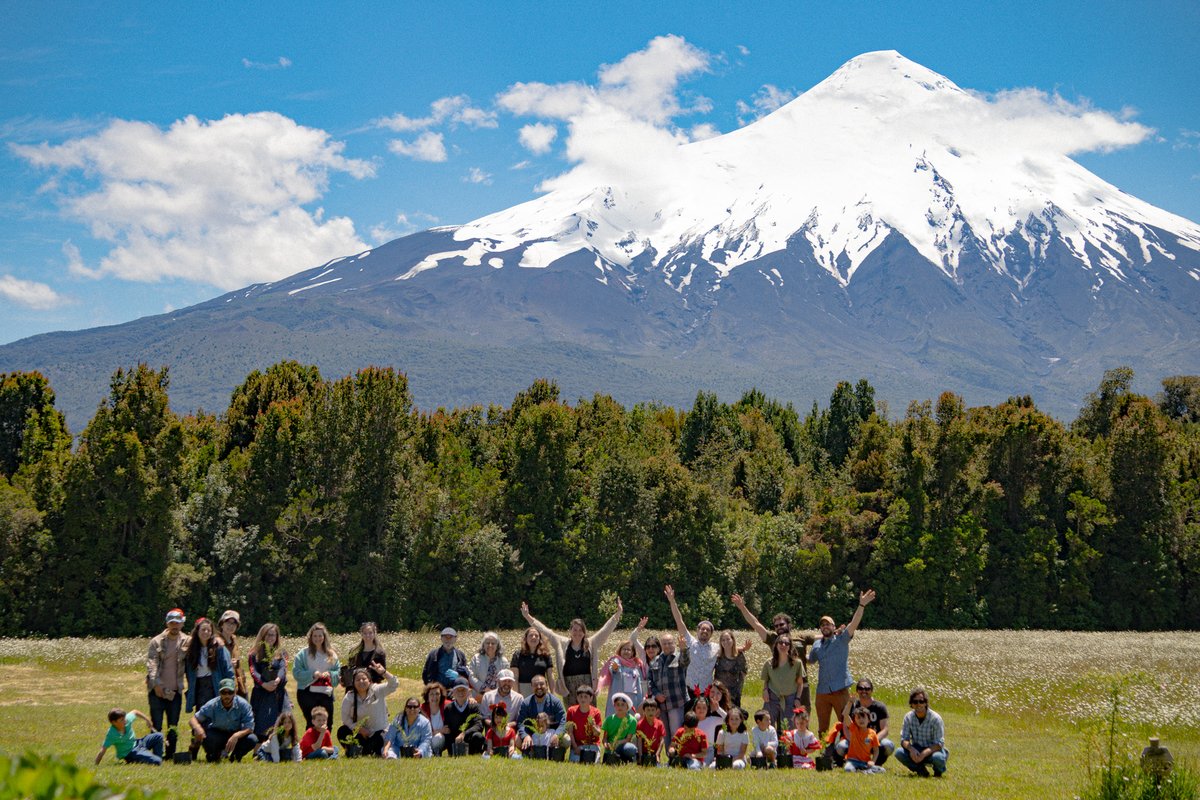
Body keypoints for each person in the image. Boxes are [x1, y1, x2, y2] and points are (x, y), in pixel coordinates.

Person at [521, 599, 623, 700]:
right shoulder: (561, 643)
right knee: (571, 715)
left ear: (584, 632)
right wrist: (528, 616)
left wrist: (618, 613)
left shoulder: (592, 643)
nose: (577, 633)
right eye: (574, 629)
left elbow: (606, 630)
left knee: (589, 715)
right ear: (570, 631)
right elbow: (545, 631)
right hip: (568, 686)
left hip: (588, 685)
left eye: (580, 630)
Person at [731, 593, 816, 713]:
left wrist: (836, 632)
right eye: (776, 626)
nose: (778, 627)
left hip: (801, 685)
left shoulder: (801, 637)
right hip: (779, 687)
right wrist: (742, 607)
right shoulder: (773, 639)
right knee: (780, 719)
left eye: (781, 624)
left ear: (789, 625)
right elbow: (755, 623)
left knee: (803, 717)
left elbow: (821, 637)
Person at [808, 588, 876, 736]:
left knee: (846, 723)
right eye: (823, 625)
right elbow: (810, 661)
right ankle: (824, 754)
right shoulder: (816, 645)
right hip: (822, 692)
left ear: (834, 627)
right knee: (823, 728)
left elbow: (854, 622)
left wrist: (862, 605)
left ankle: (847, 752)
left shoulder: (842, 640)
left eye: (828, 624)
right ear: (820, 629)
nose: (825, 626)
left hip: (840, 690)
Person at [146, 608, 187, 760]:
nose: (175, 626)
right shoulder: (156, 641)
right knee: (156, 724)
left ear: (182, 623)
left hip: (175, 691)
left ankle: (170, 755)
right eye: (172, 623)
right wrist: (156, 684)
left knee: (173, 725)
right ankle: (155, 754)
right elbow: (152, 663)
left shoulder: (186, 641)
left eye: (177, 623)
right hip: (157, 690)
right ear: (167, 623)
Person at [664, 585, 719, 691]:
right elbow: (679, 620)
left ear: (711, 634)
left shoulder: (716, 648)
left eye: (708, 630)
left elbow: (730, 648)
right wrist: (672, 601)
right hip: (689, 689)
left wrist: (743, 648)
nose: (705, 631)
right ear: (697, 631)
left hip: (706, 691)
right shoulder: (690, 641)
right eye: (702, 629)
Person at [188, 677, 257, 762]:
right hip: (218, 733)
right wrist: (198, 728)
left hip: (236, 734)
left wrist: (236, 735)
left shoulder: (243, 705)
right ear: (219, 693)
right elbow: (193, 720)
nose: (227, 695)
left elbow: (250, 727)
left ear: (234, 693)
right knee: (207, 737)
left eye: (230, 692)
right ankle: (214, 754)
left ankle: (235, 756)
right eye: (224, 692)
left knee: (252, 739)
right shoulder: (212, 704)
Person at [337, 664, 399, 757]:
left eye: (364, 679)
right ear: (353, 682)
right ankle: (355, 749)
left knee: (378, 739)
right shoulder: (349, 696)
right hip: (360, 733)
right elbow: (345, 718)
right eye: (357, 680)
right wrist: (358, 728)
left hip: (378, 733)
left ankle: (362, 751)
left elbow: (394, 684)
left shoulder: (377, 690)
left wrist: (383, 672)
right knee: (342, 731)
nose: (361, 681)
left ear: (369, 681)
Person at [836, 678, 894, 766]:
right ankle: (847, 761)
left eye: (867, 689)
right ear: (857, 691)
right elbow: (845, 727)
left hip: (873, 739)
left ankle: (876, 763)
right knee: (841, 747)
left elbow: (885, 730)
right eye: (861, 688)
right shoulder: (852, 705)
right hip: (855, 740)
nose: (864, 691)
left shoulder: (880, 707)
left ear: (871, 690)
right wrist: (854, 741)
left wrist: (872, 740)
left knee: (888, 745)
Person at [292, 622, 340, 728]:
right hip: (306, 692)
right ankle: (311, 744)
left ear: (324, 637)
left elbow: (338, 672)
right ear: (310, 637)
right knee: (312, 723)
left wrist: (330, 674)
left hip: (325, 692)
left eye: (320, 635)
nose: (317, 638)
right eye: (315, 636)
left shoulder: (332, 654)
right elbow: (296, 673)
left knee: (327, 723)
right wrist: (312, 674)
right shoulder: (303, 654)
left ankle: (324, 744)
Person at [247, 622, 288, 743]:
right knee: (261, 722)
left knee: (282, 719)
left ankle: (280, 747)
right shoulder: (253, 653)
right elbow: (253, 671)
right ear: (262, 636)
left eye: (273, 635)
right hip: (261, 692)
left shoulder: (282, 653)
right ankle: (258, 751)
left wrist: (277, 680)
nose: (271, 638)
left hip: (278, 692)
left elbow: (283, 668)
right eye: (268, 635)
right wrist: (264, 684)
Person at [184, 617, 233, 718]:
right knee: (201, 713)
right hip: (199, 686)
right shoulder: (191, 649)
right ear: (197, 631)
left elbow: (228, 669)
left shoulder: (219, 648)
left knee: (216, 713)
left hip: (215, 684)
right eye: (203, 629)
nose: (206, 632)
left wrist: (230, 687)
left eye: (208, 630)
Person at [895, 686, 948, 777]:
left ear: (926, 703)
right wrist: (911, 750)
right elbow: (904, 739)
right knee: (899, 753)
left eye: (921, 701)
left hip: (933, 751)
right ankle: (921, 770)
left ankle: (938, 772)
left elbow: (939, 744)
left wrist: (924, 754)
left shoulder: (935, 719)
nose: (918, 704)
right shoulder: (908, 717)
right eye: (915, 702)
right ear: (911, 704)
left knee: (938, 758)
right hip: (916, 749)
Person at [760, 634, 804, 730]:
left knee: (789, 726)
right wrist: (765, 690)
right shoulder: (768, 663)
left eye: (786, 643)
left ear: (790, 646)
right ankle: (770, 744)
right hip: (772, 697)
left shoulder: (797, 663)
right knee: (767, 724)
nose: (783, 645)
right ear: (776, 645)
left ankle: (785, 745)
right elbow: (766, 680)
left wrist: (797, 698)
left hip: (790, 698)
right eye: (780, 642)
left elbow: (800, 683)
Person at [649, 632, 689, 736]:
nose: (667, 645)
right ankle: (668, 753)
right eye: (664, 643)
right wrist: (656, 693)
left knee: (676, 733)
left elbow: (685, 661)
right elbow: (650, 681)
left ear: (674, 644)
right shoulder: (654, 661)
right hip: (661, 705)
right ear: (660, 645)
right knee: (664, 734)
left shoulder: (679, 657)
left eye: (669, 643)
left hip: (676, 703)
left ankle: (676, 752)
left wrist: (684, 649)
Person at [515, 674, 566, 752]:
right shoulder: (526, 703)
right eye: (535, 685)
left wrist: (557, 735)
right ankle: (530, 753)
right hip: (533, 733)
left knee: (566, 739)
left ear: (547, 685)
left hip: (551, 733)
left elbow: (563, 722)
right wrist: (526, 736)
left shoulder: (555, 702)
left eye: (542, 684)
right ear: (531, 687)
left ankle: (556, 753)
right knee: (517, 740)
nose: (539, 687)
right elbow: (520, 723)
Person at [95, 708, 163, 765]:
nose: (125, 721)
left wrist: (147, 720)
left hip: (138, 743)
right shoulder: (111, 734)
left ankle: (157, 758)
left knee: (159, 736)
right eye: (122, 720)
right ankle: (155, 760)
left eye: (124, 718)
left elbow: (135, 712)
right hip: (130, 753)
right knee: (157, 761)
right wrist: (96, 765)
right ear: (114, 722)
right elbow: (103, 750)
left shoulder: (127, 720)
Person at [600, 638, 646, 716]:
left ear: (632, 652)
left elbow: (642, 682)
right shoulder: (617, 661)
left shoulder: (637, 665)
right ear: (620, 651)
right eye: (624, 649)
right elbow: (614, 669)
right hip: (619, 699)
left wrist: (644, 697)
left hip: (633, 699)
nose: (626, 651)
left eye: (628, 650)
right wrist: (615, 668)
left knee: (632, 722)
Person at [511, 624, 555, 697]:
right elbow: (515, 677)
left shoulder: (545, 655)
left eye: (536, 636)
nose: (534, 637)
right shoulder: (518, 655)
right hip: (523, 690)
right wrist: (517, 695)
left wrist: (553, 694)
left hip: (541, 688)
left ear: (540, 639)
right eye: (531, 635)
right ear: (526, 639)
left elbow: (550, 676)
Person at [444, 679, 485, 755]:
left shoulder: (474, 707)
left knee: (478, 736)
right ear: (453, 693)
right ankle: (453, 752)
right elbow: (447, 728)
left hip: (470, 738)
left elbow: (479, 725)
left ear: (469, 692)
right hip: (455, 740)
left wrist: (464, 733)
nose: (460, 693)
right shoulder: (448, 708)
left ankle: (473, 753)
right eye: (457, 690)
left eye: (463, 690)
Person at [565, 683, 603, 762]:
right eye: (580, 696)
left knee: (593, 763)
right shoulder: (571, 711)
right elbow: (570, 732)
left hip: (593, 745)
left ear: (591, 698)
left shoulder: (596, 712)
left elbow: (598, 734)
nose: (583, 699)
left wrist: (593, 726)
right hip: (578, 745)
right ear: (577, 698)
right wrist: (575, 747)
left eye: (586, 697)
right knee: (575, 761)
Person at [343, 621, 387, 688]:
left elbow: (382, 675)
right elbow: (349, 670)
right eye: (365, 633)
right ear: (361, 634)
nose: (367, 636)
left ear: (375, 634)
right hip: (357, 687)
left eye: (370, 633)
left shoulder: (379, 653)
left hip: (373, 688)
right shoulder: (354, 652)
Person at [714, 630, 752, 708]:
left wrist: (738, 691)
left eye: (728, 639)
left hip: (734, 693)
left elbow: (743, 673)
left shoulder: (739, 655)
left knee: (734, 716)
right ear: (720, 642)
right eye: (723, 640)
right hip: (719, 692)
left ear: (733, 640)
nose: (726, 642)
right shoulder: (717, 656)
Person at [842, 705, 883, 773]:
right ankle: (864, 771)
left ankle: (864, 771)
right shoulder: (854, 729)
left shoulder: (872, 733)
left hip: (865, 762)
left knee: (882, 770)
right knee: (848, 769)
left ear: (869, 720)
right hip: (852, 761)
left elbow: (876, 750)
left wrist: (872, 761)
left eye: (863, 717)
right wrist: (850, 702)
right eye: (858, 718)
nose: (861, 720)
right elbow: (845, 715)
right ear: (855, 720)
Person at [216, 610, 247, 698]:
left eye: (234, 623)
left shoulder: (235, 640)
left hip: (240, 686)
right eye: (228, 623)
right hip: (224, 687)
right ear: (222, 624)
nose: (231, 626)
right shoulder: (216, 642)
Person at [469, 631, 509, 699]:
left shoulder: (504, 661)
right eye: (487, 643)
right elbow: (471, 676)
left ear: (497, 645)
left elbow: (506, 679)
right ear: (483, 645)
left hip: (498, 696)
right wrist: (484, 688)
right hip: (478, 695)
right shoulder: (476, 658)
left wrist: (495, 692)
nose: (490, 645)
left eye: (493, 643)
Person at [601, 693, 639, 763]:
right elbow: (605, 738)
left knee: (631, 749)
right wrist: (606, 744)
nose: (620, 707)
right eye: (617, 704)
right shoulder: (609, 719)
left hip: (623, 745)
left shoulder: (632, 720)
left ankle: (626, 759)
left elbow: (628, 739)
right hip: (611, 747)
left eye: (623, 705)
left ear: (627, 707)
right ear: (614, 706)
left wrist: (617, 743)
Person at [420, 682, 451, 756]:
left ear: (441, 695)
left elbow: (459, 703)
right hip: (427, 738)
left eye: (437, 694)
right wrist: (440, 730)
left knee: (438, 737)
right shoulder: (421, 709)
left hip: (442, 739)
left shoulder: (447, 705)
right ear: (427, 696)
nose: (435, 697)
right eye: (432, 694)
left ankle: (435, 752)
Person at [692, 694, 721, 765]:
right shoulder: (691, 721)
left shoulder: (712, 720)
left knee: (703, 765)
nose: (701, 710)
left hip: (708, 750)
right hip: (694, 750)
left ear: (708, 709)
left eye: (704, 708)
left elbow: (727, 719)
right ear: (694, 709)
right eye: (698, 707)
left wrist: (718, 709)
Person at [635, 698, 666, 763]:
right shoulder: (640, 724)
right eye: (648, 710)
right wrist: (641, 756)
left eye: (652, 710)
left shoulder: (660, 724)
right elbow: (639, 741)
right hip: (644, 752)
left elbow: (662, 740)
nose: (650, 712)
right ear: (644, 711)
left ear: (656, 711)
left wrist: (657, 754)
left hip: (655, 752)